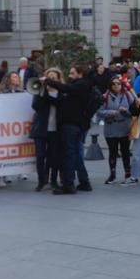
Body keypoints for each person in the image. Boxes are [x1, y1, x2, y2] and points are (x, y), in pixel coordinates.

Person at [44, 64, 96, 194]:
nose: (70, 76)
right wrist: (45, 95)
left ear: (80, 74)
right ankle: (84, 182)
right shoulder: (78, 87)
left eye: (72, 73)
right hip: (74, 125)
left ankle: (68, 184)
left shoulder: (81, 84)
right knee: (75, 155)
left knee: (69, 155)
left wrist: (48, 81)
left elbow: (66, 88)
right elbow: (61, 102)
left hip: (72, 126)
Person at [97, 76, 137, 185]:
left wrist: (126, 111)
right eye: (114, 84)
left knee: (125, 152)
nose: (116, 86)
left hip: (124, 127)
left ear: (122, 85)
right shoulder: (104, 97)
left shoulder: (128, 96)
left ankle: (128, 174)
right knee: (112, 152)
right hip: (111, 128)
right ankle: (112, 174)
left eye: (118, 83)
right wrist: (113, 112)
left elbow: (135, 111)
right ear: (110, 85)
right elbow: (99, 112)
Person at [30, 67, 64, 192]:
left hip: (55, 130)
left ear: (58, 80)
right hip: (41, 129)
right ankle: (41, 181)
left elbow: (59, 104)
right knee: (40, 156)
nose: (50, 80)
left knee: (54, 157)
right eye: (49, 78)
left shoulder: (62, 93)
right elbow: (36, 106)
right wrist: (42, 91)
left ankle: (53, 181)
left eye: (53, 78)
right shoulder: (40, 91)